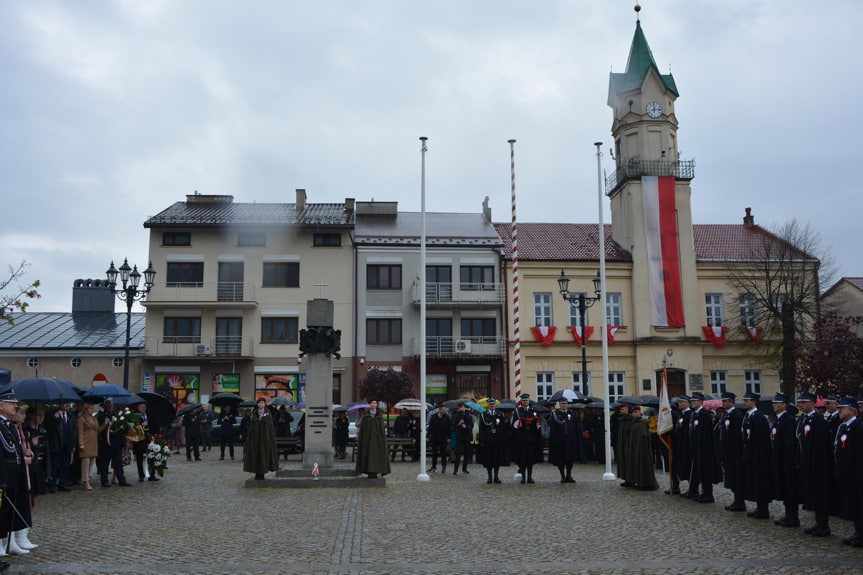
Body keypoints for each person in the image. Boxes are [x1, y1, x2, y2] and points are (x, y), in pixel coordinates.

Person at [796, 391, 831, 537]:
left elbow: (822, 445)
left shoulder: (819, 420)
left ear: (812, 403)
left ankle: (823, 524)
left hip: (818, 464)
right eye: (799, 402)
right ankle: (818, 522)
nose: (800, 405)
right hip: (807, 461)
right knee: (812, 492)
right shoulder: (804, 419)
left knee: (820, 493)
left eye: (804, 402)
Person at [0, 388, 29, 559]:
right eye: (11, 403)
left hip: (13, 470)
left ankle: (11, 540)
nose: (15, 406)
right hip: (4, 471)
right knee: (3, 508)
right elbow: (8, 448)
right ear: (1, 405)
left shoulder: (8, 425)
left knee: (12, 507)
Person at [833, 397, 863, 546]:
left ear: (852, 410)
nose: (839, 410)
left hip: (856, 473)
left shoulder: (858, 427)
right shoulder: (844, 426)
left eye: (842, 408)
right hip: (846, 472)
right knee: (852, 503)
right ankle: (857, 532)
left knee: (859, 503)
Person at [770, 393, 800, 527]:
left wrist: (788, 460)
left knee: (790, 487)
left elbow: (789, 442)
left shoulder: (788, 419)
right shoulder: (779, 419)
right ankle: (788, 514)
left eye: (777, 403)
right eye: (774, 403)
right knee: (784, 487)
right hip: (779, 459)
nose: (774, 405)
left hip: (787, 460)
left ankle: (793, 516)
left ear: (784, 405)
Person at [741, 392, 773, 519]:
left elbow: (760, 439)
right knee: (755, 482)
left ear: (753, 402)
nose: (745, 403)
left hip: (759, 456)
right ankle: (759, 507)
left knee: (761, 483)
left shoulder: (758, 417)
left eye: (747, 401)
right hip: (751, 454)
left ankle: (763, 509)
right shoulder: (749, 416)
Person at [687, 392, 720, 503]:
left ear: (701, 402)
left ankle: (708, 494)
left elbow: (705, 434)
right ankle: (701, 492)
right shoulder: (695, 414)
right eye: (691, 401)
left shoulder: (704, 414)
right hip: (696, 447)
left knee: (706, 471)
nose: (692, 403)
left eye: (695, 401)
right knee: (699, 471)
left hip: (704, 448)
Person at [717, 392, 745, 511]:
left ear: (731, 402)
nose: (723, 403)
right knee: (731, 477)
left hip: (735, 451)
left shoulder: (736, 415)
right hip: (727, 450)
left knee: (736, 477)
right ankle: (736, 500)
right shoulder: (725, 415)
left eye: (725, 401)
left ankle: (740, 501)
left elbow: (737, 436)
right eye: (722, 401)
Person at [243, 398, 278, 480]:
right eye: (259, 403)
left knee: (264, 455)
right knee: (255, 455)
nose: (261, 404)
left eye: (262, 403)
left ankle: (262, 473)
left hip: (265, 439)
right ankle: (256, 473)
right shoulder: (254, 413)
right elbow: (251, 427)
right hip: (255, 439)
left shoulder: (268, 414)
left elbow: (270, 427)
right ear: (257, 404)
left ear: (265, 404)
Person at [626, 405, 658, 490]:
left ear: (640, 412)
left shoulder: (642, 423)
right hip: (635, 447)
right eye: (632, 412)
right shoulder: (633, 424)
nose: (634, 414)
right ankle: (638, 481)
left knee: (644, 464)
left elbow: (644, 438)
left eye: (636, 412)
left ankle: (646, 483)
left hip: (643, 449)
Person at [548, 399, 581, 483]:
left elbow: (576, 426)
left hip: (570, 440)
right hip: (559, 440)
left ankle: (569, 475)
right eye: (562, 403)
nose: (564, 405)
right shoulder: (556, 414)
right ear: (559, 404)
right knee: (560, 459)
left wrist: (577, 438)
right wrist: (554, 439)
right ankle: (562, 476)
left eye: (566, 403)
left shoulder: (572, 414)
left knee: (570, 459)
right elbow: (553, 428)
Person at [512, 394, 543, 484]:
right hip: (521, 438)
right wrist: (522, 421)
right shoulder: (518, 411)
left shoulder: (533, 411)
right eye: (524, 400)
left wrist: (533, 422)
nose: (525, 402)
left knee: (530, 458)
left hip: (531, 438)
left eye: (527, 400)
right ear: (521, 401)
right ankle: (523, 477)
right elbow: (514, 424)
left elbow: (538, 424)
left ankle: (529, 476)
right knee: (522, 458)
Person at [45, 401, 75, 493]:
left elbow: (74, 432)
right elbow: (49, 430)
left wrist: (73, 445)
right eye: (65, 403)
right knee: (55, 466)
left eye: (68, 403)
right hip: (57, 445)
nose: (67, 405)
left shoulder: (70, 416)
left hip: (67, 445)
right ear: (60, 405)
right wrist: (55, 419)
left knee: (65, 466)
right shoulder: (53, 415)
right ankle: (52, 484)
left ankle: (62, 483)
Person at [355, 400, 390, 479]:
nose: (373, 405)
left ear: (376, 405)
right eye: (371, 403)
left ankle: (377, 470)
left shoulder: (379, 416)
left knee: (377, 455)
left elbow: (382, 430)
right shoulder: (366, 417)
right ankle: (369, 471)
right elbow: (363, 430)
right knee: (368, 454)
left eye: (374, 403)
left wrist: (381, 439)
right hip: (368, 441)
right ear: (369, 405)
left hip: (378, 441)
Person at [478, 398, 509, 484]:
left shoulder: (499, 415)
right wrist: (482, 441)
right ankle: (489, 477)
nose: (492, 406)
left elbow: (502, 429)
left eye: (493, 404)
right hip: (488, 441)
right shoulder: (484, 415)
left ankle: (496, 476)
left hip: (497, 441)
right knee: (489, 460)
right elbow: (481, 429)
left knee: (497, 460)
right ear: (488, 405)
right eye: (490, 404)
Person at [673, 396, 693, 497]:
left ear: (688, 403)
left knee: (689, 469)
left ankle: (693, 490)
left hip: (687, 447)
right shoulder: (681, 415)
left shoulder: (690, 415)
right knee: (684, 468)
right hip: (680, 446)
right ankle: (690, 489)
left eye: (681, 402)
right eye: (679, 402)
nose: (679, 404)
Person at [77, 402, 99, 490]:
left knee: (91, 462)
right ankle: (85, 481)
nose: (92, 410)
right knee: (85, 463)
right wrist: (81, 443)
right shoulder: (81, 419)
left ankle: (87, 479)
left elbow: (98, 429)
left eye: (93, 408)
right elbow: (80, 432)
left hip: (93, 443)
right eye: (90, 408)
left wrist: (105, 424)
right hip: (86, 442)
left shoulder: (94, 418)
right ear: (86, 409)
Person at [132, 402, 156, 482]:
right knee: (139, 458)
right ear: (138, 408)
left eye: (144, 407)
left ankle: (152, 475)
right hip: (139, 440)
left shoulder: (150, 415)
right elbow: (133, 429)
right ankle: (141, 475)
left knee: (152, 456)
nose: (142, 408)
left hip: (149, 440)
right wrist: (141, 425)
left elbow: (154, 425)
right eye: (141, 407)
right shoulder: (135, 417)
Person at [427, 405, 451, 473]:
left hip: (443, 438)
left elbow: (449, 428)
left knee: (443, 453)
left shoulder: (447, 417)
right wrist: (428, 436)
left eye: (445, 409)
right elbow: (430, 428)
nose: (445, 411)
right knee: (434, 453)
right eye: (443, 409)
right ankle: (434, 466)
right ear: (440, 410)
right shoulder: (434, 417)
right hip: (435, 437)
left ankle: (444, 467)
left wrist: (449, 437)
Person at [451, 402, 474, 475]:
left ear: (464, 407)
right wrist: (459, 424)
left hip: (467, 436)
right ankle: (455, 469)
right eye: (460, 407)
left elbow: (471, 426)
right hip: (460, 437)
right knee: (458, 453)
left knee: (466, 454)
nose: (461, 408)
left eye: (462, 407)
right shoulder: (456, 416)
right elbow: (454, 426)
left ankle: (464, 469)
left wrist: (466, 426)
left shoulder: (469, 416)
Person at [616, 403, 633, 487]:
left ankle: (631, 479)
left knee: (629, 461)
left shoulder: (630, 420)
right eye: (620, 409)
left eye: (623, 409)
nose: (621, 411)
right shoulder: (621, 420)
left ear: (627, 409)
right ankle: (626, 479)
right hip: (622, 443)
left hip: (628, 444)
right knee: (623, 461)